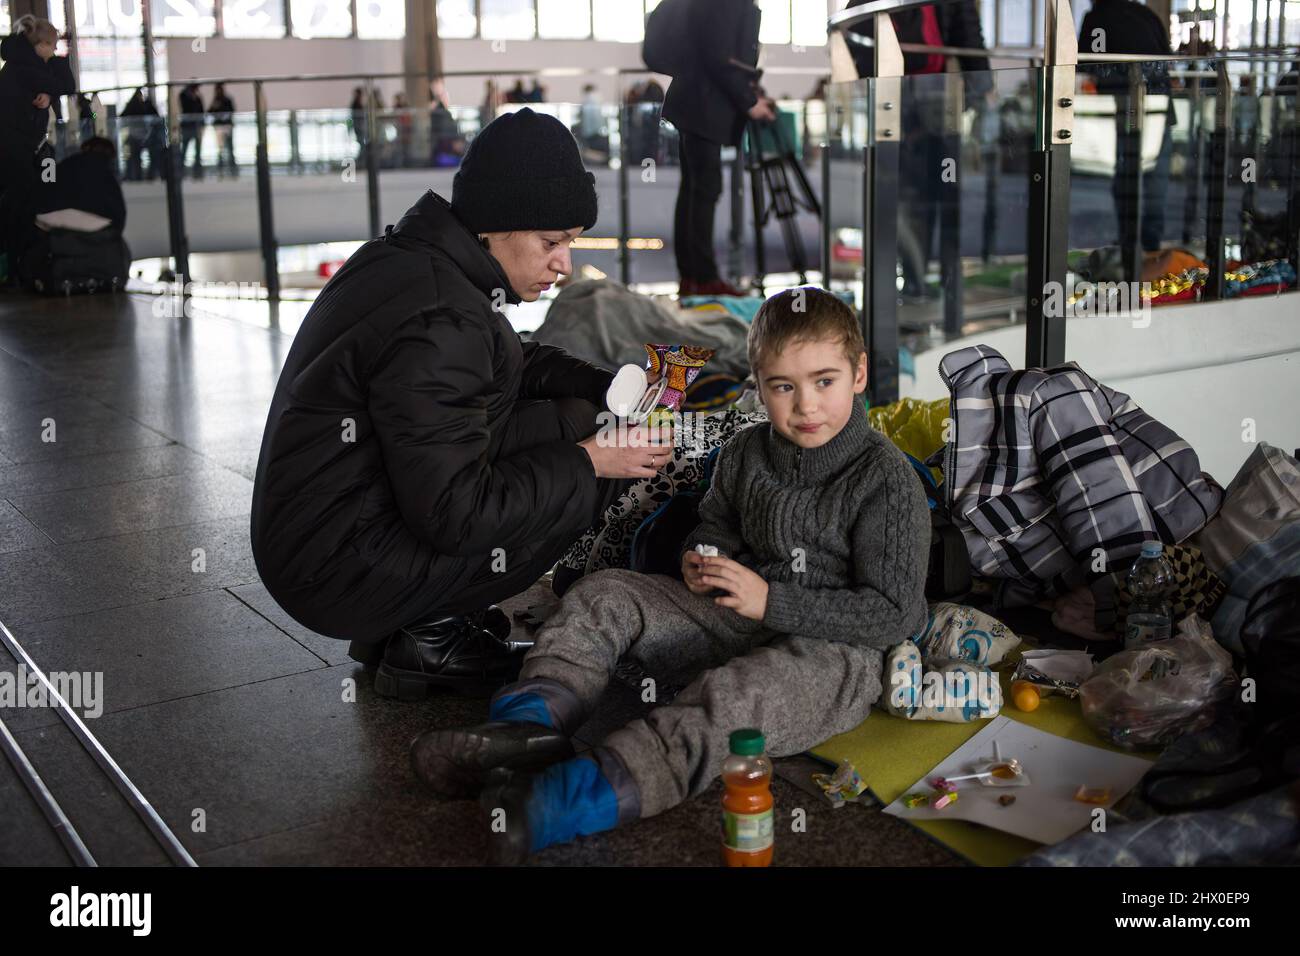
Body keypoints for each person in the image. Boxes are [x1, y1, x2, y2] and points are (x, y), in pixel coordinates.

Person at [412, 287, 931, 864]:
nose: (806, 405)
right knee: (604, 593)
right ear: (757, 384)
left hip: (837, 655)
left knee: (736, 700)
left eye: (824, 381)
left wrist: (772, 602)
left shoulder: (885, 478)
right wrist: (701, 552)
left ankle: (573, 797)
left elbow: (896, 614)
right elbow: (716, 524)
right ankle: (525, 728)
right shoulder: (744, 453)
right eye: (783, 386)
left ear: (858, 374)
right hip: (736, 615)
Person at [250, 108, 674, 700]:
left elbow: (508, 362)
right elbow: (457, 512)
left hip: (330, 532)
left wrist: (604, 384)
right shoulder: (442, 318)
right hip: (337, 569)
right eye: (551, 243)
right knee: (591, 444)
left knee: (587, 413)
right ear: (495, 226)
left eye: (570, 243)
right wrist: (591, 462)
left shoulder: (421, 264)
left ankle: (418, 621)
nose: (564, 264)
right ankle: (431, 638)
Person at [847, 0, 993, 300]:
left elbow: (967, 30)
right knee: (904, 198)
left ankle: (946, 283)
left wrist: (982, 86)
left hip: (941, 98)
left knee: (944, 193)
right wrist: (870, 71)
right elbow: (854, 24)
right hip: (893, 97)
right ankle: (911, 279)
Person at [662, 0, 769, 297]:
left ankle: (693, 277)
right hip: (703, 107)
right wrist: (750, 102)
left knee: (694, 190)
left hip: (696, 104)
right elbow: (720, 58)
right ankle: (703, 277)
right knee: (704, 190)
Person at [1079, 0, 1176, 255]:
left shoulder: (1097, 17)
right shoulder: (1147, 15)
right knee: (1155, 178)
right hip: (1160, 107)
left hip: (1125, 110)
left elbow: (1085, 62)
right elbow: (1165, 59)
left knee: (1128, 177)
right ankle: (1150, 247)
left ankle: (1129, 244)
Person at [0, 15, 75, 282]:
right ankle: (21, 268)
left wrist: (49, 93)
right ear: (41, 45)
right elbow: (68, 85)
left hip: (25, 150)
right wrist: (58, 65)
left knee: (29, 201)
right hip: (21, 152)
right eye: (52, 47)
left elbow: (54, 88)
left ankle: (19, 267)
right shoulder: (26, 68)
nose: (53, 52)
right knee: (26, 206)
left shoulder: (19, 66)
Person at [35, 136, 126, 233]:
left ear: (85, 148)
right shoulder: (106, 174)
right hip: (98, 228)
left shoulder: (68, 164)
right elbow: (118, 213)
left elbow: (46, 193)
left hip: (57, 224)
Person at [118, 87, 162, 181]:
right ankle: (141, 176)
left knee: (137, 158)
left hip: (142, 136)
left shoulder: (139, 105)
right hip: (139, 136)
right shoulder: (139, 105)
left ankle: (140, 177)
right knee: (136, 158)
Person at [208, 83, 237, 179]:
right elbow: (209, 112)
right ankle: (220, 170)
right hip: (219, 127)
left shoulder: (227, 100)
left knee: (230, 148)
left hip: (227, 126)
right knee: (220, 149)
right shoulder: (215, 101)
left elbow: (232, 110)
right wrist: (214, 107)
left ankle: (233, 171)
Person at [178, 82, 205, 180]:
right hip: (187, 128)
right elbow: (186, 108)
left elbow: (201, 111)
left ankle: (197, 172)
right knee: (184, 150)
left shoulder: (197, 97)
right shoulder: (184, 96)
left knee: (197, 151)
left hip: (196, 127)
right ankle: (180, 172)